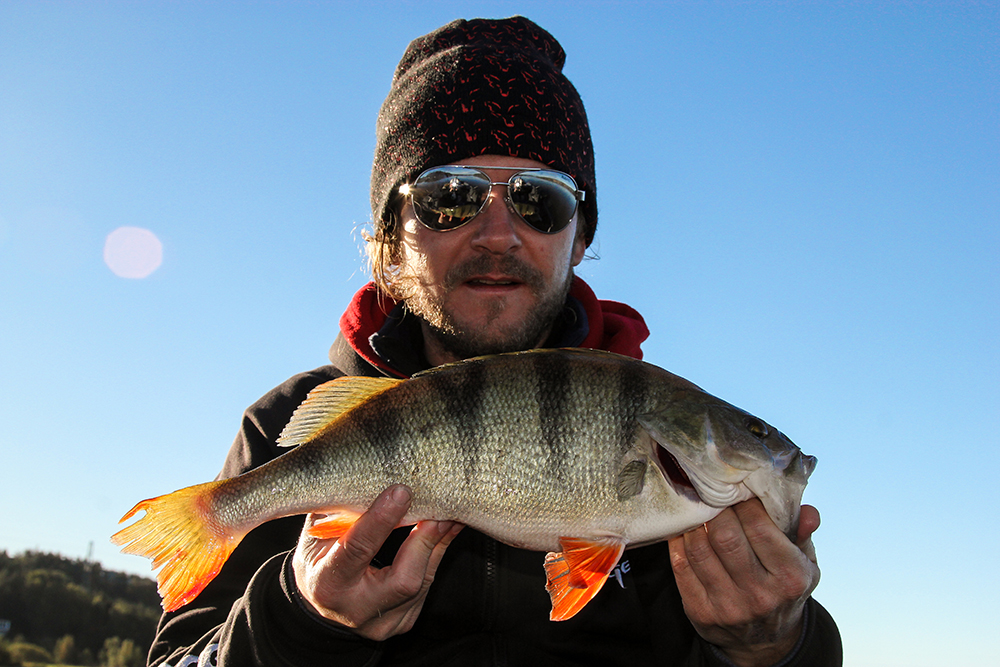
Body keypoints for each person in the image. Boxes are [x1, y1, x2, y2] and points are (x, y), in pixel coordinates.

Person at [147, 16, 842, 667]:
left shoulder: (684, 479)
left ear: (579, 237)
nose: (498, 234)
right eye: (449, 195)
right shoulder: (284, 427)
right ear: (391, 236)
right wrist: (300, 624)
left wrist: (772, 646)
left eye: (541, 199)